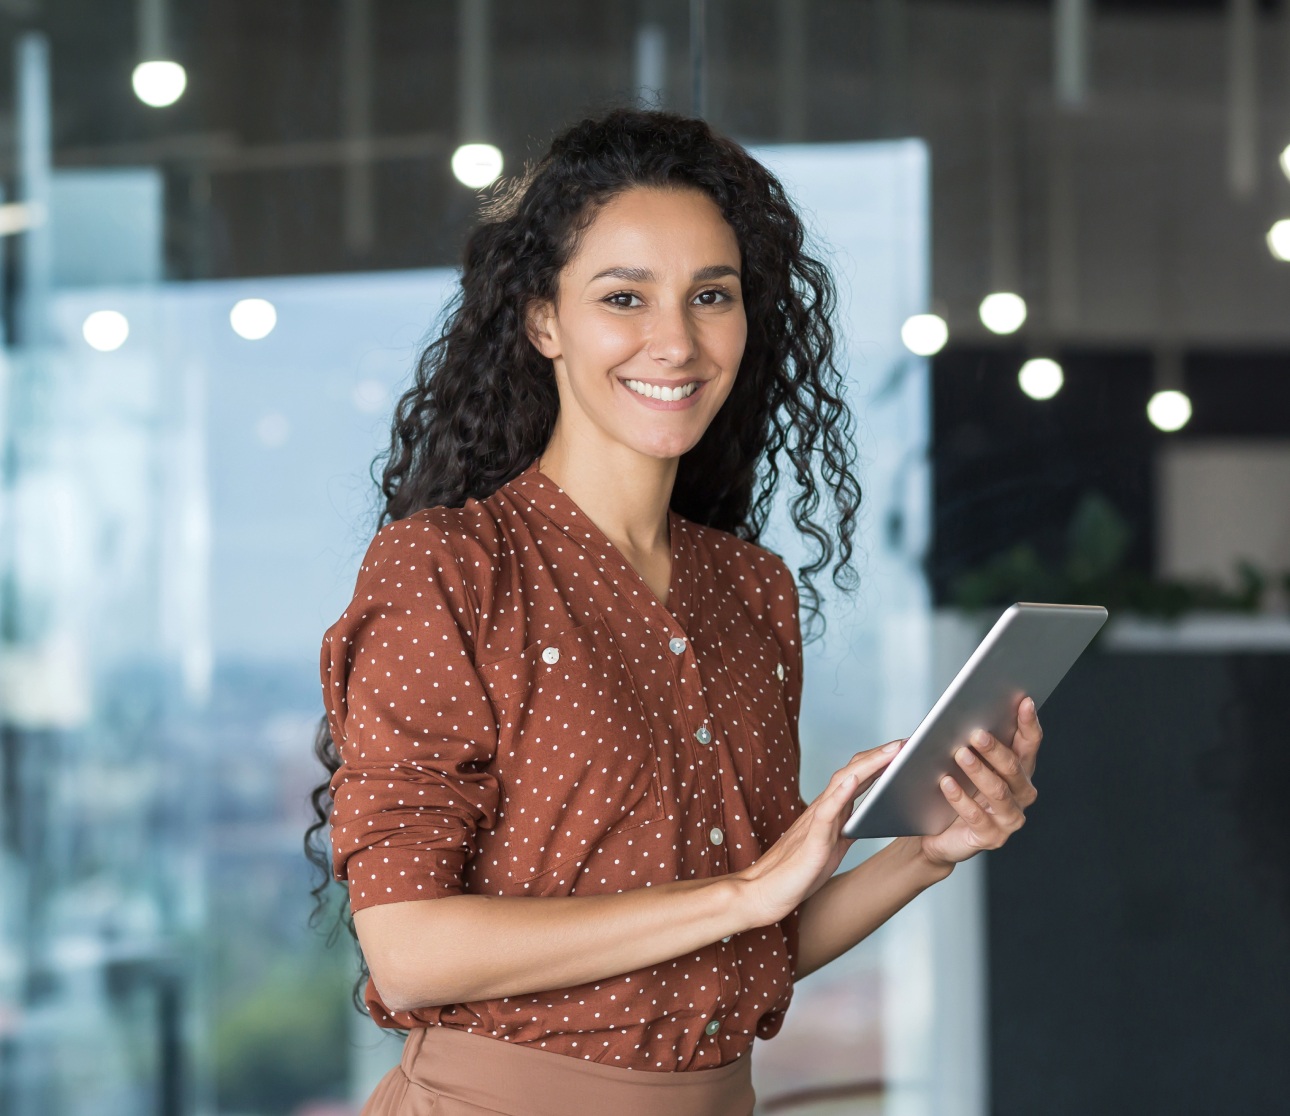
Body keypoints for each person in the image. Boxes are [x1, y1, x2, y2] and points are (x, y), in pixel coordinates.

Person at [305, 106, 1042, 1116]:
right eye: (624, 296)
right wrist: (745, 892)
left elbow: (747, 944)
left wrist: (924, 854)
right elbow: (411, 952)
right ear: (543, 319)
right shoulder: (449, 570)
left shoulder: (749, 591)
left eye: (712, 295)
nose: (677, 341)